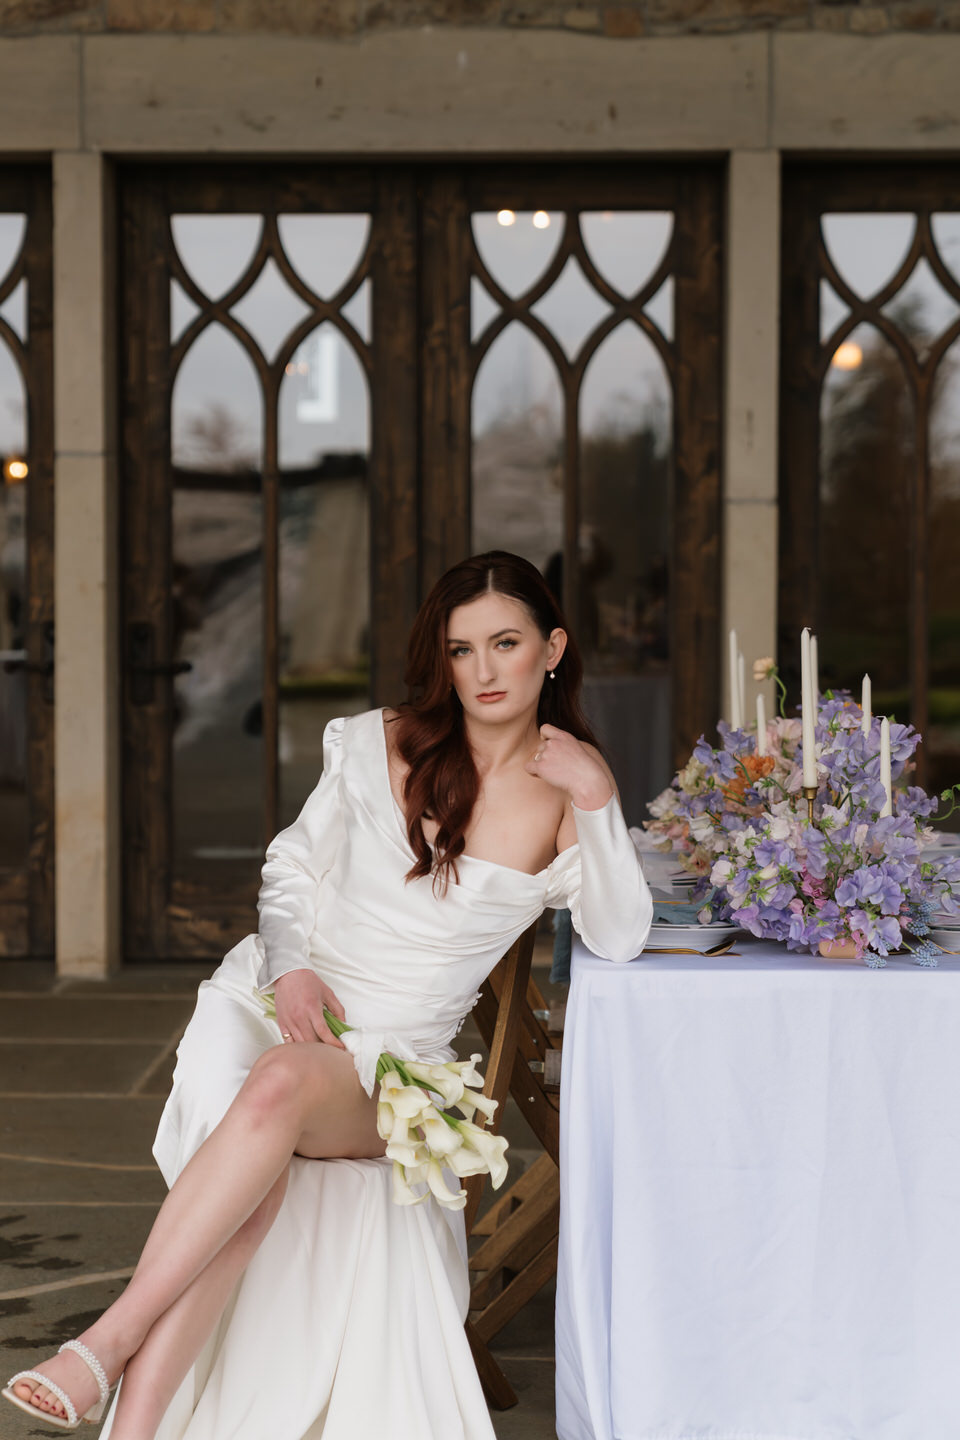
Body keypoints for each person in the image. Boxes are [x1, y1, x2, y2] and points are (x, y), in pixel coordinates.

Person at [3, 550, 653, 1439]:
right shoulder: (377, 741)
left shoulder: (566, 794)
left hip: (393, 1075)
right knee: (261, 1151)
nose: (485, 670)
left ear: (552, 648)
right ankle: (133, 1423)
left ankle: (107, 1346)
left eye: (505, 643)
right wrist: (291, 965)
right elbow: (291, 867)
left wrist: (600, 796)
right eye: (463, 650)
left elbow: (619, 935)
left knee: (278, 1091)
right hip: (275, 1001)